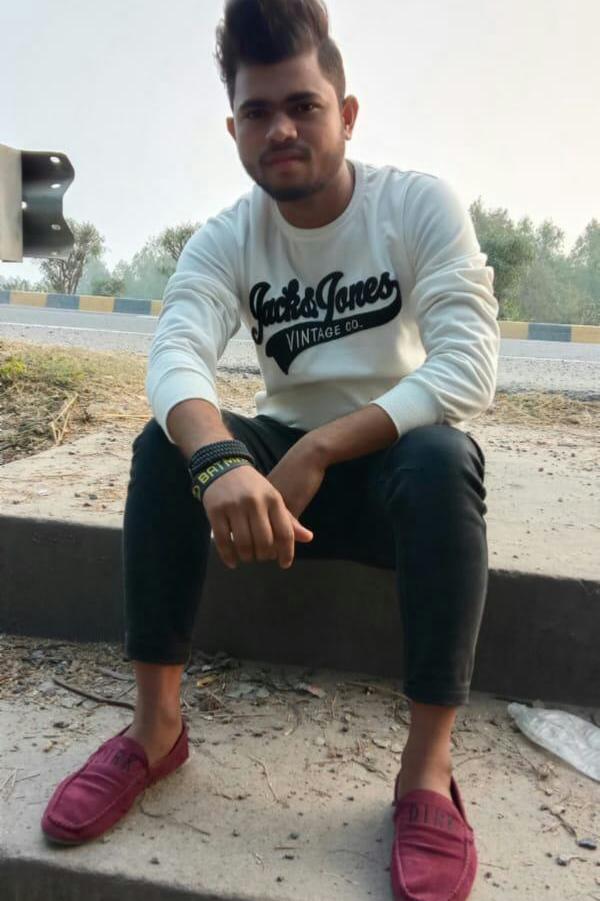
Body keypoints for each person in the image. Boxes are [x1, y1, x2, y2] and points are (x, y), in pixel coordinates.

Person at [41, 1, 500, 898]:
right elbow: (177, 349)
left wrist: (323, 446)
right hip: (273, 476)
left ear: (347, 114)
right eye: (257, 111)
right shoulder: (227, 236)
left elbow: (468, 364)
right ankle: (154, 730)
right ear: (234, 130)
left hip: (394, 465)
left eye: (303, 105)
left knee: (445, 459)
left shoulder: (415, 204)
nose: (281, 128)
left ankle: (427, 771)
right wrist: (220, 461)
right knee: (164, 443)